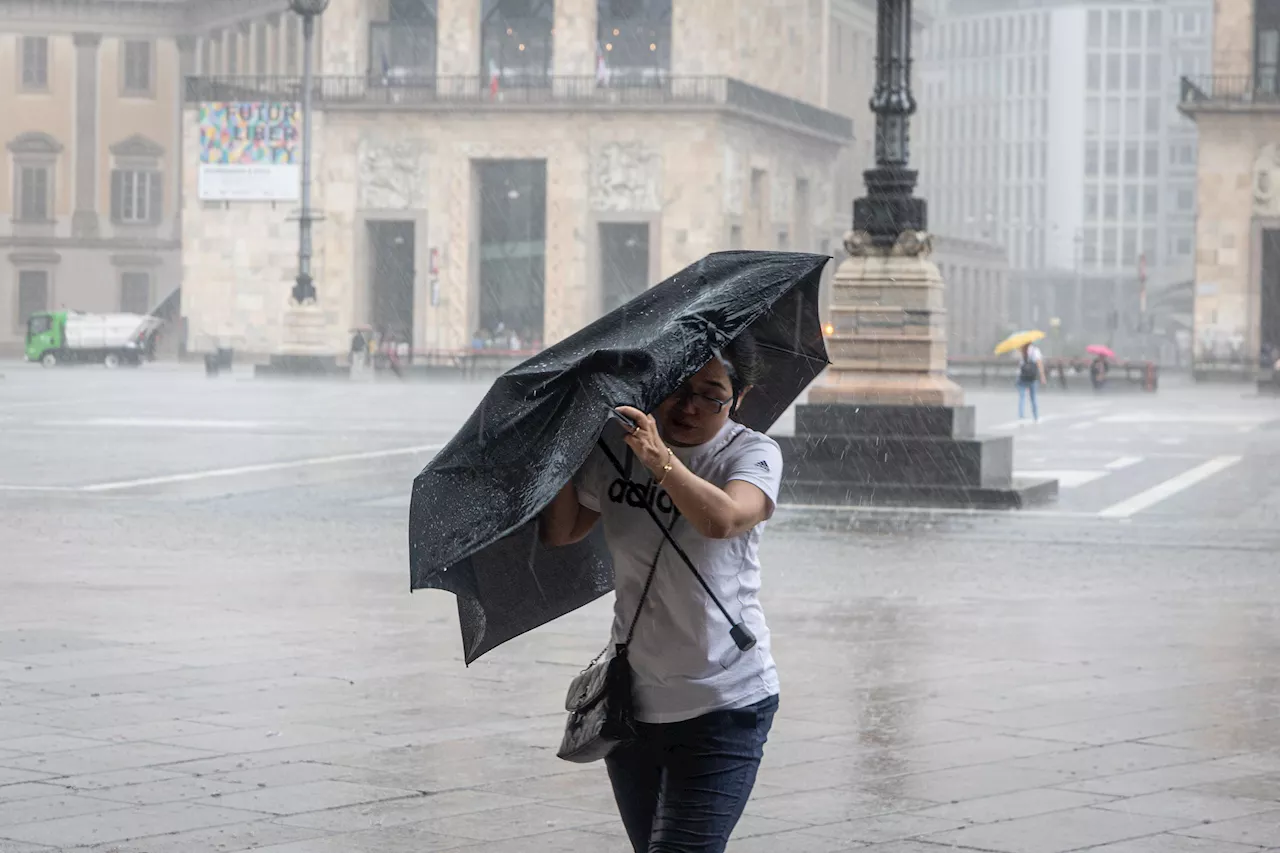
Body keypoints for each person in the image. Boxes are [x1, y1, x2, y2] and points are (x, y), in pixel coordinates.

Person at [539, 332, 781, 853]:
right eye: (676, 387)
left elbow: (723, 519)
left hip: (726, 701)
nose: (688, 406)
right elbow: (562, 531)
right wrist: (560, 442)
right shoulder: (617, 448)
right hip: (632, 703)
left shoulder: (751, 453)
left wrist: (659, 460)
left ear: (740, 396)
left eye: (711, 394)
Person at [1016, 341, 1046, 422]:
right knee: (1033, 398)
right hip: (1032, 378)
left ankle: (1021, 416)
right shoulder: (1035, 351)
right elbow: (1039, 363)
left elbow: (1019, 366)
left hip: (1022, 377)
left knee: (1022, 398)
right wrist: (1042, 376)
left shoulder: (1021, 351)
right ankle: (1035, 416)